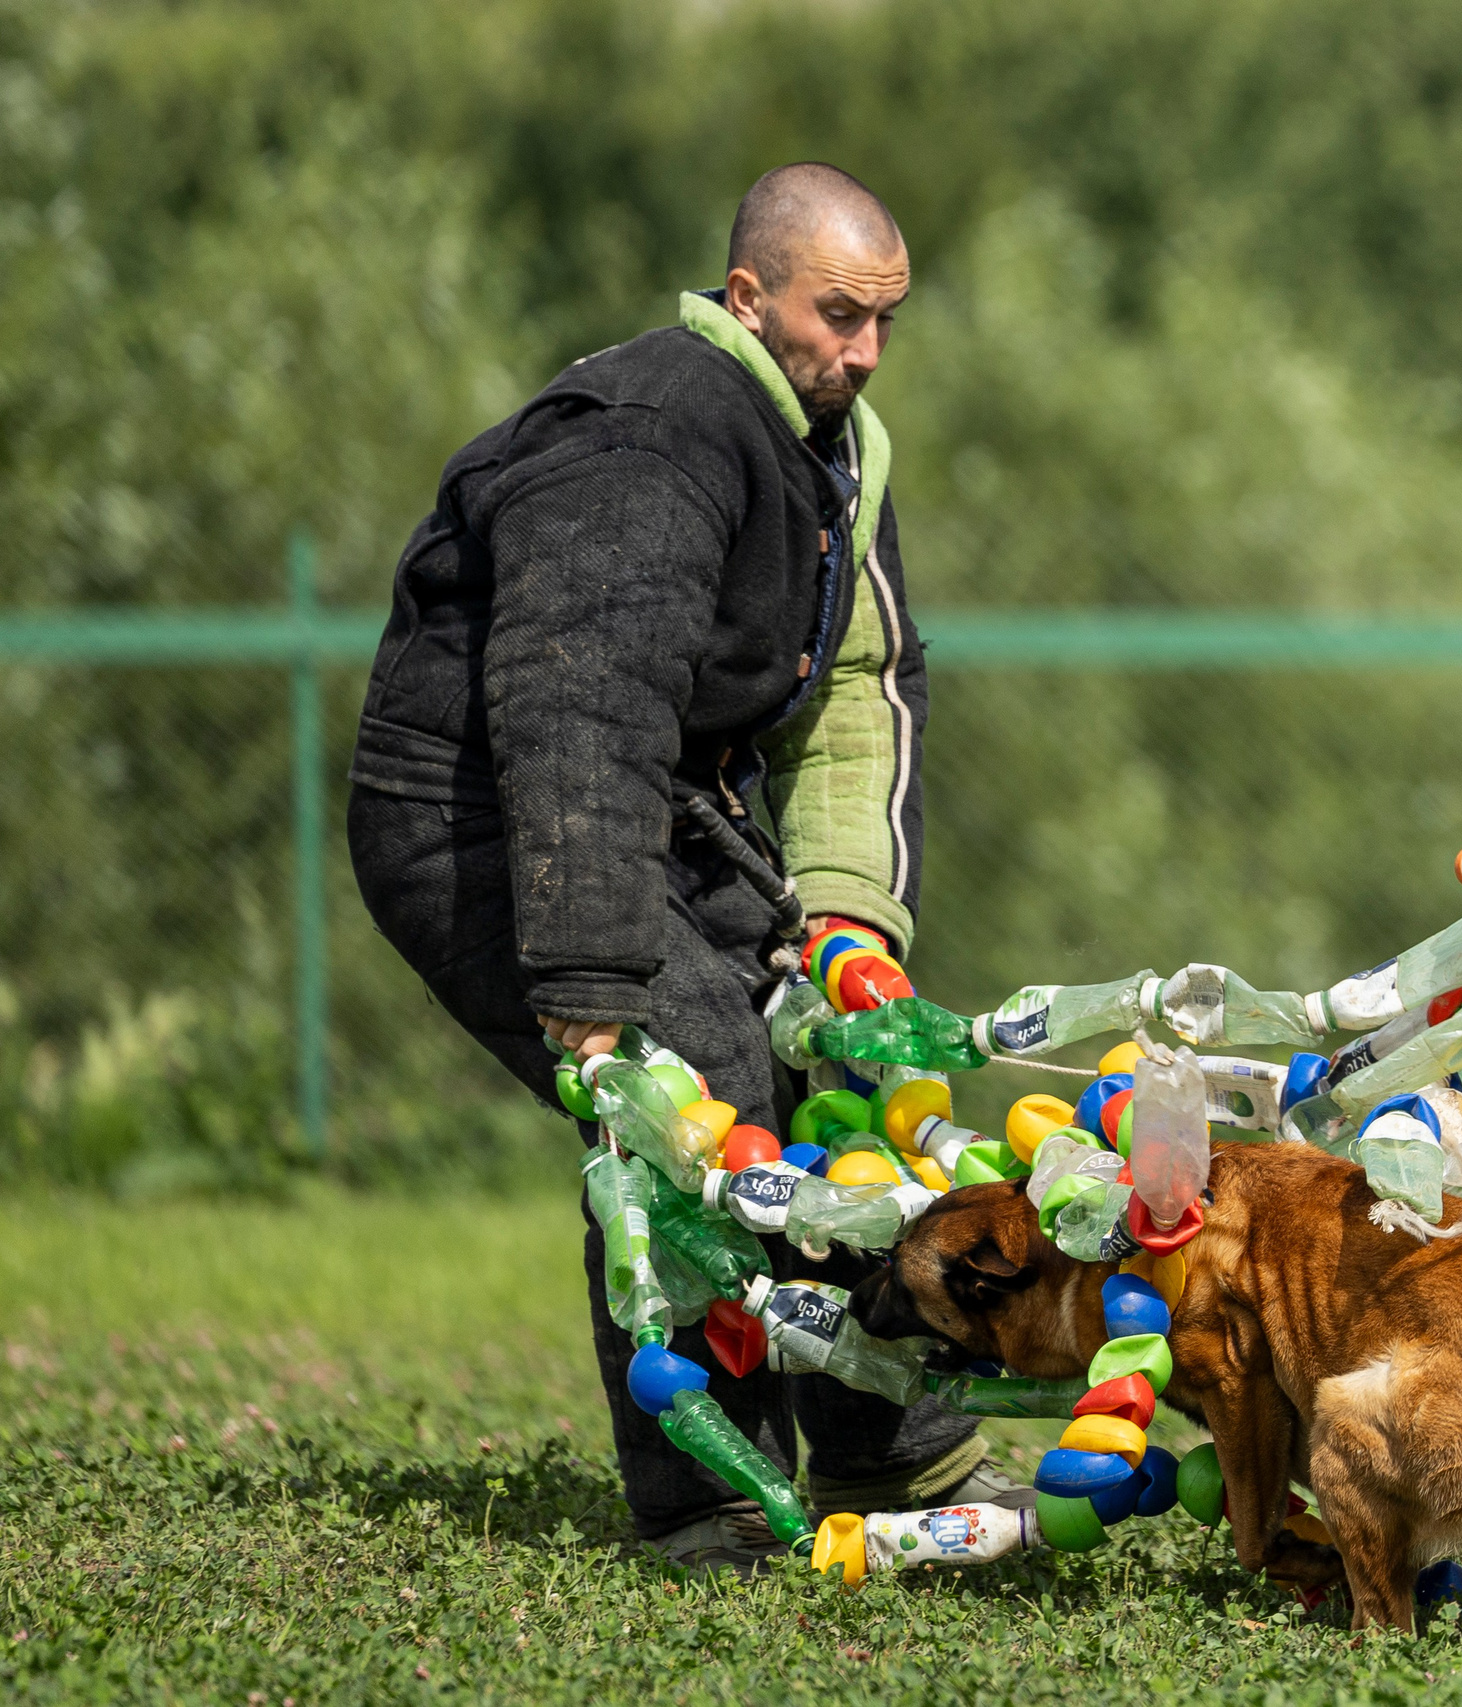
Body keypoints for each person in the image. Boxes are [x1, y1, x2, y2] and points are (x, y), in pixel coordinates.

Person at [346, 163, 1021, 1575]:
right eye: (840, 315)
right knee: (692, 1093)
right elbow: (577, 698)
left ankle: (891, 1449)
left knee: (839, 1073)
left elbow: (860, 691)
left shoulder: (841, 449)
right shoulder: (655, 434)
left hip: (676, 817)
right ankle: (708, 1503)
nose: (867, 351)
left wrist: (847, 931)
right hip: (482, 814)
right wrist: (590, 977)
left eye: (886, 319)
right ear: (748, 294)